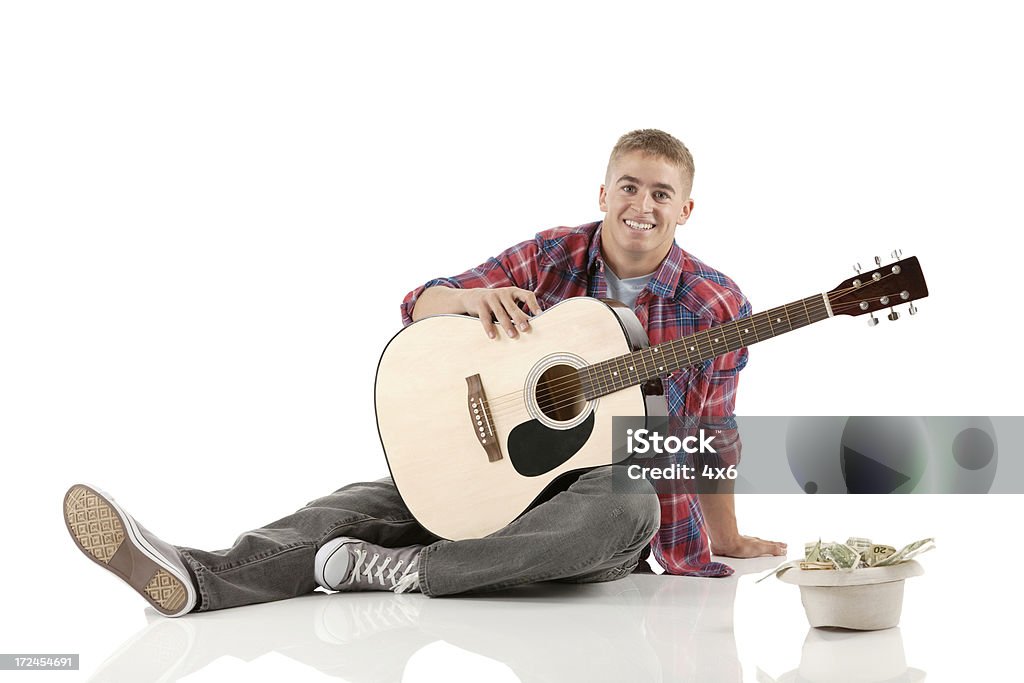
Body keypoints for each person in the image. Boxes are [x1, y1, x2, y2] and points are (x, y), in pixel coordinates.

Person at [63, 129, 786, 618]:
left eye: (661, 193)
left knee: (629, 502)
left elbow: (711, 434)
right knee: (376, 498)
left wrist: (723, 535)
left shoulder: (717, 305)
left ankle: (406, 570)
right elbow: (421, 303)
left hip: (587, 517)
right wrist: (470, 300)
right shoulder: (553, 254)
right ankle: (199, 578)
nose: (642, 205)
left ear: (685, 208)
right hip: (508, 474)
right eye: (629, 187)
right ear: (603, 194)